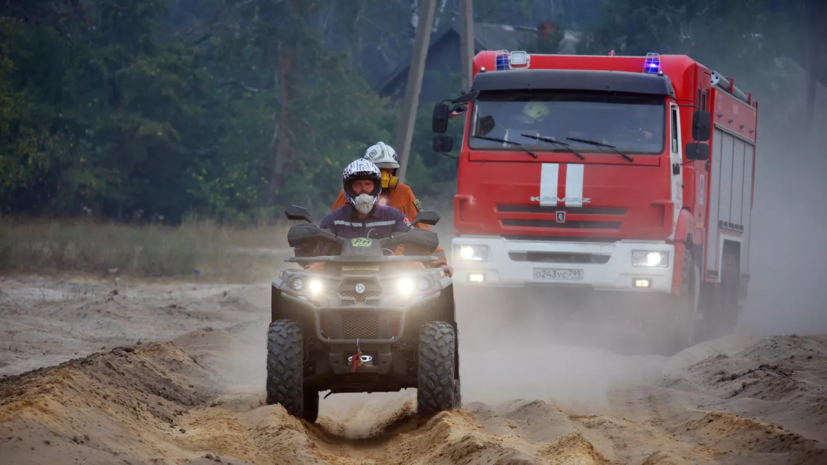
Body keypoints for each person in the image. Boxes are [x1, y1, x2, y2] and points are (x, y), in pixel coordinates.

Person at [330, 142, 453, 276]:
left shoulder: (403, 192)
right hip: (350, 258)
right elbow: (328, 232)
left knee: (423, 276)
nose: (384, 175)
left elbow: (422, 231)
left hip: (395, 260)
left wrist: (440, 263)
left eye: (389, 171)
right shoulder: (348, 194)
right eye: (380, 170)